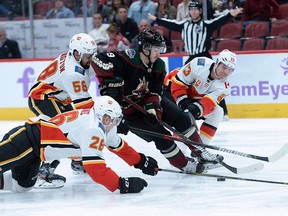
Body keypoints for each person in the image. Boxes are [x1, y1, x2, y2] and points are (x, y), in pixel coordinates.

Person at [91, 29, 224, 174]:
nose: (159, 53)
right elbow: (98, 59)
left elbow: (154, 92)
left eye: (160, 49)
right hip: (129, 113)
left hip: (145, 103)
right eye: (156, 49)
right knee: (162, 137)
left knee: (183, 120)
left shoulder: (159, 65)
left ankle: (200, 152)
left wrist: (153, 109)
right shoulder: (129, 58)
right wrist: (111, 81)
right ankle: (184, 164)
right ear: (145, 48)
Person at [0, 96, 158, 193]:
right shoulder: (93, 129)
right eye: (115, 120)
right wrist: (122, 184)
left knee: (23, 186)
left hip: (37, 153)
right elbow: (95, 169)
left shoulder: (100, 122)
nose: (116, 124)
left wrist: (140, 161)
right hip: (25, 140)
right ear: (105, 118)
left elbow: (118, 145)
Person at [148, 1, 242, 120]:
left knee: (217, 83)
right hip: (192, 57)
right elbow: (171, 24)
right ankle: (180, 103)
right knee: (181, 78)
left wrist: (230, 14)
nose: (193, 11)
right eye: (191, 9)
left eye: (196, 9)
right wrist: (157, 19)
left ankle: (223, 113)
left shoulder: (206, 24)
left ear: (200, 11)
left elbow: (219, 22)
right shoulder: (185, 24)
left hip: (205, 57)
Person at [28, 33, 97, 187]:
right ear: (77, 53)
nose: (91, 59)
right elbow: (85, 107)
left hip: (56, 98)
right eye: (88, 56)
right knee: (61, 133)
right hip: (42, 99)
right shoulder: (73, 72)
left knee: (74, 126)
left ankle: (77, 161)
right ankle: (43, 172)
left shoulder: (76, 57)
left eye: (92, 55)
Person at [163, 49, 237, 145]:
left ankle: (201, 147)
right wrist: (185, 104)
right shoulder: (199, 64)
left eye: (230, 70)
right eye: (224, 67)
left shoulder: (225, 86)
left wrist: (195, 111)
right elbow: (178, 84)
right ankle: (182, 152)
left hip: (193, 97)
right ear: (217, 62)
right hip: (169, 90)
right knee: (184, 118)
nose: (226, 72)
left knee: (218, 112)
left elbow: (208, 103)